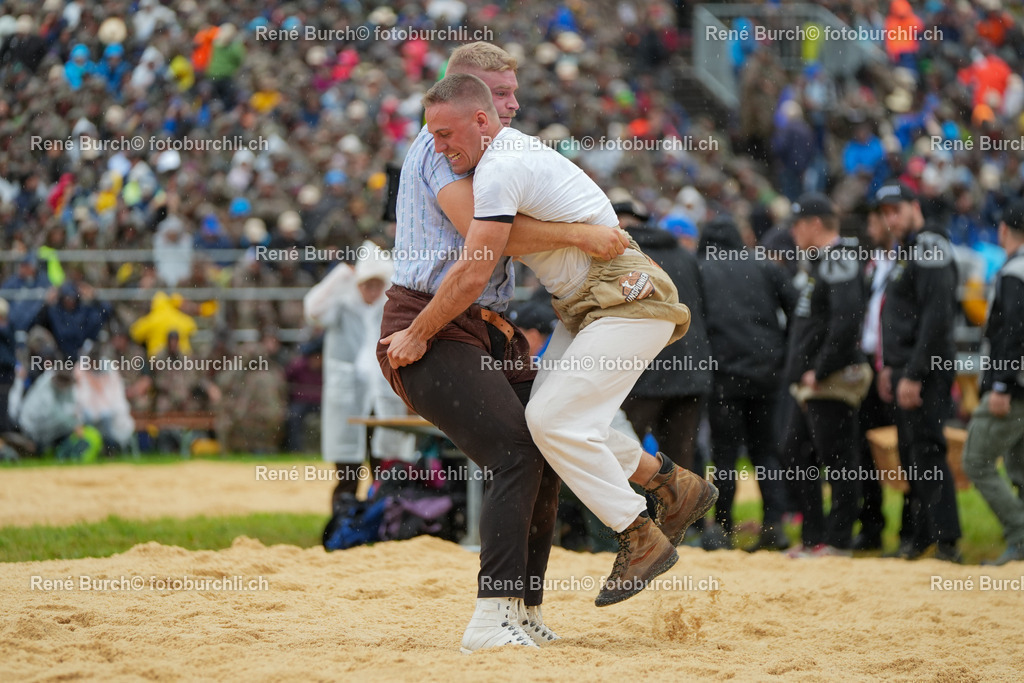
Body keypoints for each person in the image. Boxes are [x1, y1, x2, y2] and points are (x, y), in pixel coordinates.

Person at [384, 72, 716, 611]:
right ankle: (672, 487)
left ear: (480, 120)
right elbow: (495, 238)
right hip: (593, 302)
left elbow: (474, 268)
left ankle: (638, 534)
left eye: (445, 135)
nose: (437, 147)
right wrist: (579, 234)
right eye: (432, 136)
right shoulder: (500, 157)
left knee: (551, 422)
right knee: (548, 426)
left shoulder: (499, 168)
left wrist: (417, 332)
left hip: (622, 297)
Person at [375, 42, 640, 653]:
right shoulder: (441, 147)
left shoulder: (497, 152)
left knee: (543, 444)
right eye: (501, 93)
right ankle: (489, 617)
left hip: (483, 322)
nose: (514, 104)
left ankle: (522, 609)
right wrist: (581, 234)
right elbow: (483, 237)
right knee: (516, 450)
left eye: (513, 92)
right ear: (469, 102)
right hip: (431, 316)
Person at [875, 181, 962, 562]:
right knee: (912, 455)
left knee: (927, 450)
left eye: (896, 209)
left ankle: (947, 541)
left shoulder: (929, 244)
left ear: (914, 206)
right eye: (885, 213)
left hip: (924, 369)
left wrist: (912, 372)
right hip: (905, 368)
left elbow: (937, 316)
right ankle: (922, 536)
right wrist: (889, 368)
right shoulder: (909, 250)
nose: (890, 219)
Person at [698, 215, 795, 551]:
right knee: (765, 449)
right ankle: (774, 525)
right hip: (768, 373)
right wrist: (783, 352)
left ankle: (722, 528)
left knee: (724, 454)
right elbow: (798, 308)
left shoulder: (702, 271)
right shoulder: (765, 267)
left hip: (723, 375)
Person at [781, 193, 870, 557]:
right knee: (795, 451)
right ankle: (815, 538)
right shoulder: (821, 262)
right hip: (813, 380)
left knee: (837, 458)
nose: (792, 231)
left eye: (797, 223)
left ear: (816, 224)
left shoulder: (839, 258)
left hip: (830, 379)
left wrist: (821, 368)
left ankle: (838, 540)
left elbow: (847, 318)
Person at [304, 242, 415, 512]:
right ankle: (343, 521)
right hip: (348, 397)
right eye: (367, 283)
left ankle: (381, 520)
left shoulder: (393, 307)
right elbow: (313, 310)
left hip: (384, 396)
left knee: (386, 464)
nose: (372, 290)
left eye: (378, 283)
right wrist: (341, 273)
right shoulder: (341, 304)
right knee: (347, 469)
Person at [611, 189, 713, 480]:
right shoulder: (685, 255)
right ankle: (686, 523)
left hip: (642, 372)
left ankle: (631, 522)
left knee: (622, 452)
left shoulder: (624, 256)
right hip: (690, 370)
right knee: (682, 459)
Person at [962, 200, 1024, 566]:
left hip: (1014, 386)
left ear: (1003, 230)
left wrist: (1001, 384)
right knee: (1019, 466)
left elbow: (1012, 333)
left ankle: (1019, 535)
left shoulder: (1014, 271)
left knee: (977, 461)